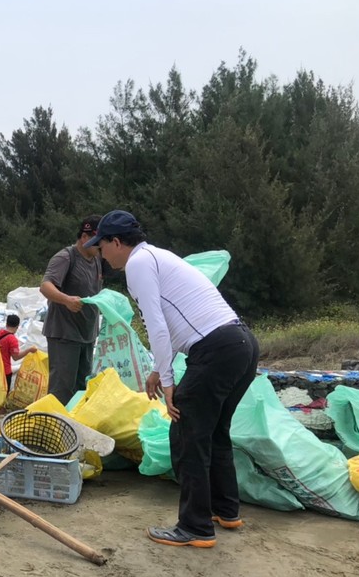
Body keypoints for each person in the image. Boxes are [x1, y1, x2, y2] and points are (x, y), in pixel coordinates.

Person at [85, 210, 260, 548]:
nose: (101, 254)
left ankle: (195, 527)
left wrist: (168, 385)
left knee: (186, 435)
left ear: (117, 242)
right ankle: (225, 511)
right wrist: (156, 370)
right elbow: (180, 324)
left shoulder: (138, 264)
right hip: (242, 344)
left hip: (217, 349)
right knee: (215, 432)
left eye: (102, 245)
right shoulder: (159, 256)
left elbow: (158, 326)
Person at [39, 215, 103, 405]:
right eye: (98, 241)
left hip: (87, 334)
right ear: (85, 237)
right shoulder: (66, 257)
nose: (101, 246)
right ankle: (55, 428)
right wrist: (66, 300)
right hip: (65, 333)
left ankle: (74, 430)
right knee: (62, 389)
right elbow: (45, 286)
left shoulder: (97, 259)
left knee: (82, 388)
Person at [0, 314, 38, 390]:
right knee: (3, 393)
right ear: (17, 326)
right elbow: (16, 357)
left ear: (6, 324)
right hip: (5, 371)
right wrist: (28, 350)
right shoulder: (12, 339)